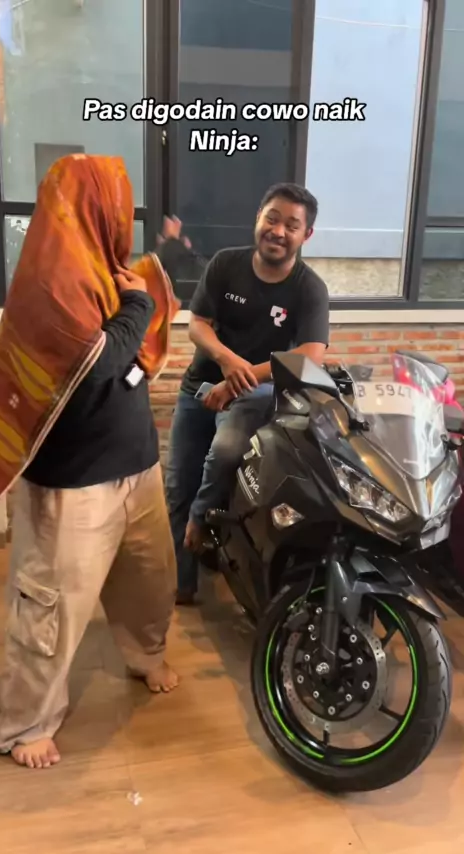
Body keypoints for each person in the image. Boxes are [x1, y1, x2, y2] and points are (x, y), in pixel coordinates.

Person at [0, 155, 182, 770]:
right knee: (50, 608)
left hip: (137, 464)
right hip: (71, 483)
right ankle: (27, 724)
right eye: (116, 202)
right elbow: (97, 362)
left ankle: (145, 655)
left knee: (150, 581)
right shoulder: (49, 284)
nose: (122, 214)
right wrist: (139, 306)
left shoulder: (105, 269)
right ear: (92, 209)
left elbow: (131, 315)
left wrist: (155, 270)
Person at [165, 183, 330, 605]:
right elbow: (197, 323)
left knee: (224, 454)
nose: (279, 231)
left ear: (306, 235)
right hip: (198, 388)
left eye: (291, 225)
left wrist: (241, 377)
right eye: (272, 218)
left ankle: (202, 524)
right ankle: (182, 582)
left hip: (257, 393)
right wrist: (226, 360)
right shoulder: (226, 264)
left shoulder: (309, 288)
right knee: (179, 483)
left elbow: (311, 355)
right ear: (258, 218)